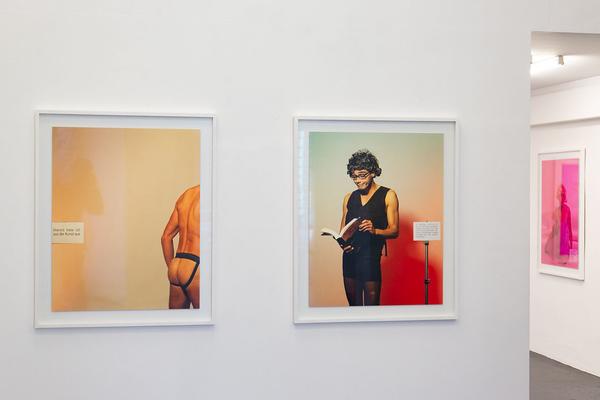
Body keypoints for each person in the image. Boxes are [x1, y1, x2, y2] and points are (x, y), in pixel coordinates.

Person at [340, 149, 399, 306]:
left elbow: (394, 230)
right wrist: (343, 244)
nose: (358, 180)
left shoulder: (388, 195)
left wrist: (375, 230)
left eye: (362, 175)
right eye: (354, 176)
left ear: (373, 172)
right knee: (353, 307)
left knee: (372, 308)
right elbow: (342, 232)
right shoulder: (348, 197)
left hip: (370, 257)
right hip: (349, 258)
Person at [161, 185, 200, 309]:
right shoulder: (213, 197)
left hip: (176, 266)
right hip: (197, 266)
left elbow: (166, 237)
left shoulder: (186, 196)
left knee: (176, 320)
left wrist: (172, 268)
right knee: (204, 320)